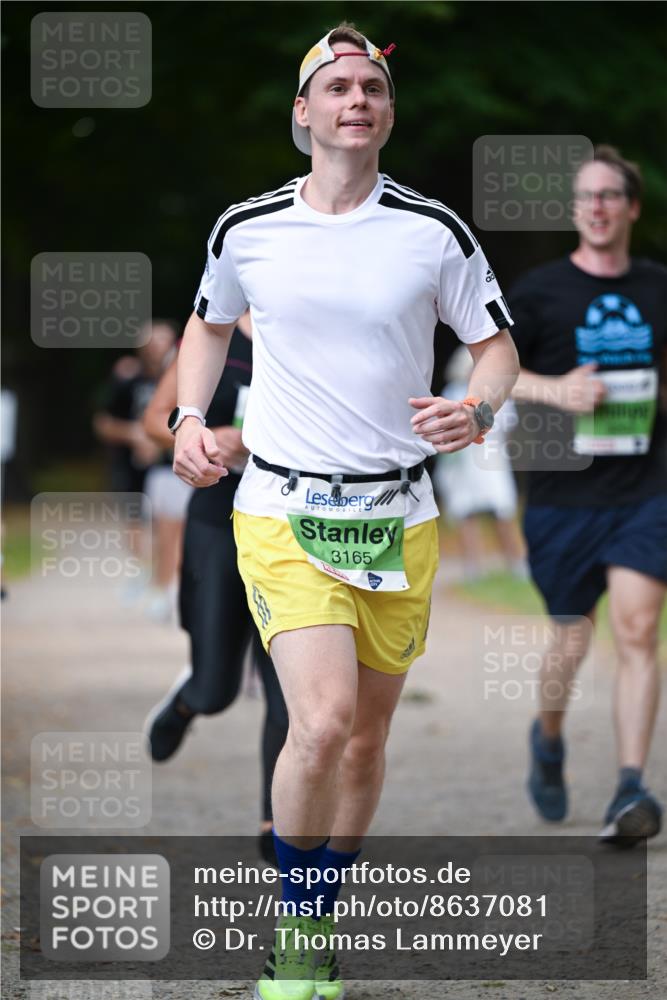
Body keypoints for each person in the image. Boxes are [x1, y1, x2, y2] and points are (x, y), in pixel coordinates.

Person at [173, 23, 518, 1000]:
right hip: (281, 507)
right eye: (337, 87)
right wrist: (189, 415)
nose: (355, 99)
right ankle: (294, 939)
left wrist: (478, 407)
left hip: (397, 517)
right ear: (304, 111)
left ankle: (320, 905)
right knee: (318, 721)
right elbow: (204, 328)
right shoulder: (247, 228)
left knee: (365, 739)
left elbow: (496, 348)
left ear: (388, 113)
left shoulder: (432, 232)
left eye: (372, 87)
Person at [509, 145, 666, 846]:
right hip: (561, 492)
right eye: (585, 197)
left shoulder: (659, 286)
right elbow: (491, 372)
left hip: (645, 486)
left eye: (610, 195)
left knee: (636, 628)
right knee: (570, 637)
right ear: (574, 211)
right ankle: (547, 738)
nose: (597, 207)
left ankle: (630, 785)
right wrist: (556, 391)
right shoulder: (539, 291)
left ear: (631, 207)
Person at [142, 312, 288, 865]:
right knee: (219, 689)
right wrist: (201, 433)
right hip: (218, 522)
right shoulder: (211, 335)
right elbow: (156, 419)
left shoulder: (310, 327)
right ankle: (189, 700)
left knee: (290, 689)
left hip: (289, 524)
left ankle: (276, 820)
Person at [93, 320, 189, 619]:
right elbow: (104, 422)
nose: (157, 347)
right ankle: (155, 579)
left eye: (163, 340)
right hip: (134, 468)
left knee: (172, 529)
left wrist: (158, 441)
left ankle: (167, 587)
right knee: (144, 528)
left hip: (168, 466)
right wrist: (135, 434)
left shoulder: (185, 376)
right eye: (152, 341)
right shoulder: (128, 380)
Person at [433, 346, 527, 581]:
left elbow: (506, 425)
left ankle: (515, 562)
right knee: (466, 512)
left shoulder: (497, 393)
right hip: (461, 462)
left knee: (503, 509)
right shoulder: (452, 391)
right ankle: (473, 566)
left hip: (491, 457)